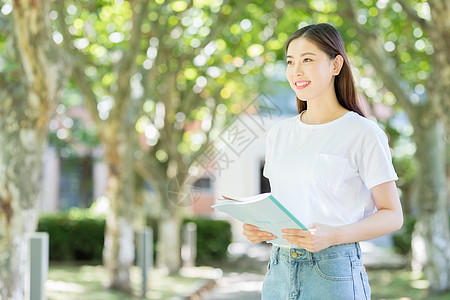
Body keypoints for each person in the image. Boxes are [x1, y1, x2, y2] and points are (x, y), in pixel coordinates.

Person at [242, 23, 403, 300]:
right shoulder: (279, 134)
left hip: (333, 271)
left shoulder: (363, 133)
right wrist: (264, 228)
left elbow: (392, 215)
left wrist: (335, 235)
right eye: (290, 62)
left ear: (336, 65)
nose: (297, 71)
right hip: (278, 270)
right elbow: (292, 202)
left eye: (308, 59)